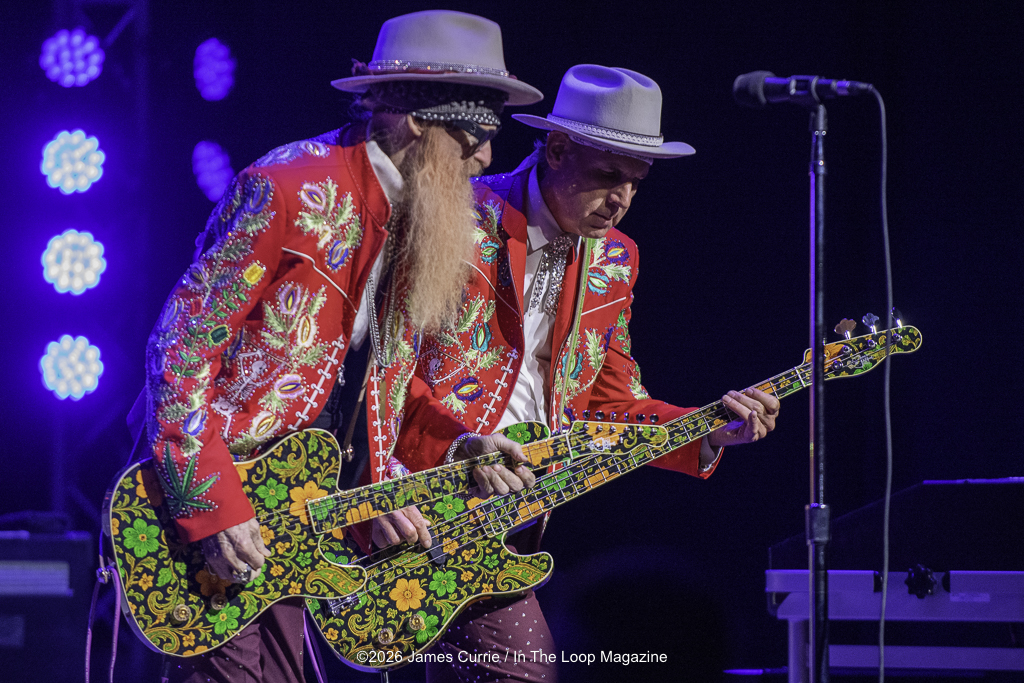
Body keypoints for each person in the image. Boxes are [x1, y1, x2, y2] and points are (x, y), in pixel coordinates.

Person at [143, 11, 542, 682]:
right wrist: (208, 505)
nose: (487, 158)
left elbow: (368, 386)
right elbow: (179, 351)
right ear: (418, 122)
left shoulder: (424, 220)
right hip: (221, 506)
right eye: (475, 134)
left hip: (305, 519)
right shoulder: (288, 187)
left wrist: (453, 442)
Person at [383, 64, 782, 682]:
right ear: (559, 149)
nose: (621, 198)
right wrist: (451, 448)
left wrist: (706, 430)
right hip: (408, 495)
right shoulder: (458, 220)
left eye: (636, 182)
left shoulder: (617, 258)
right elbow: (385, 370)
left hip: (505, 520)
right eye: (607, 176)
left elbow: (611, 400)